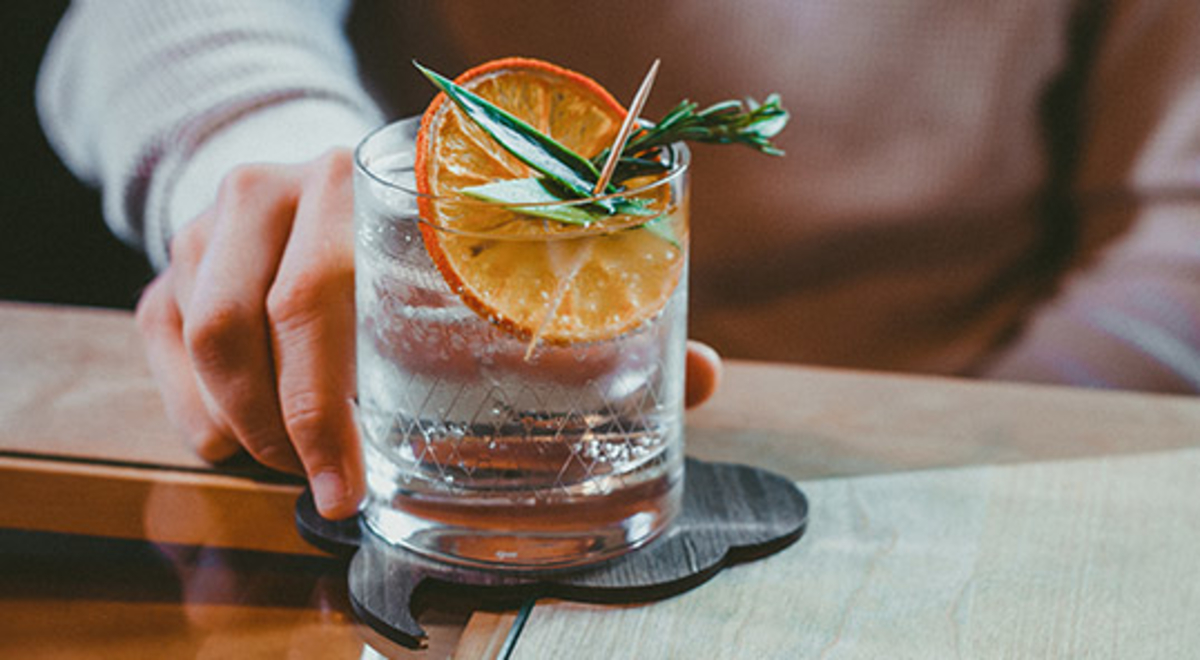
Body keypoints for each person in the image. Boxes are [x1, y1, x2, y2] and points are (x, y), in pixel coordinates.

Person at [37, 1, 1200, 519]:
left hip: (958, 449)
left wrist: (922, 489)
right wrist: (267, 158)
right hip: (446, 419)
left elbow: (1179, 244)